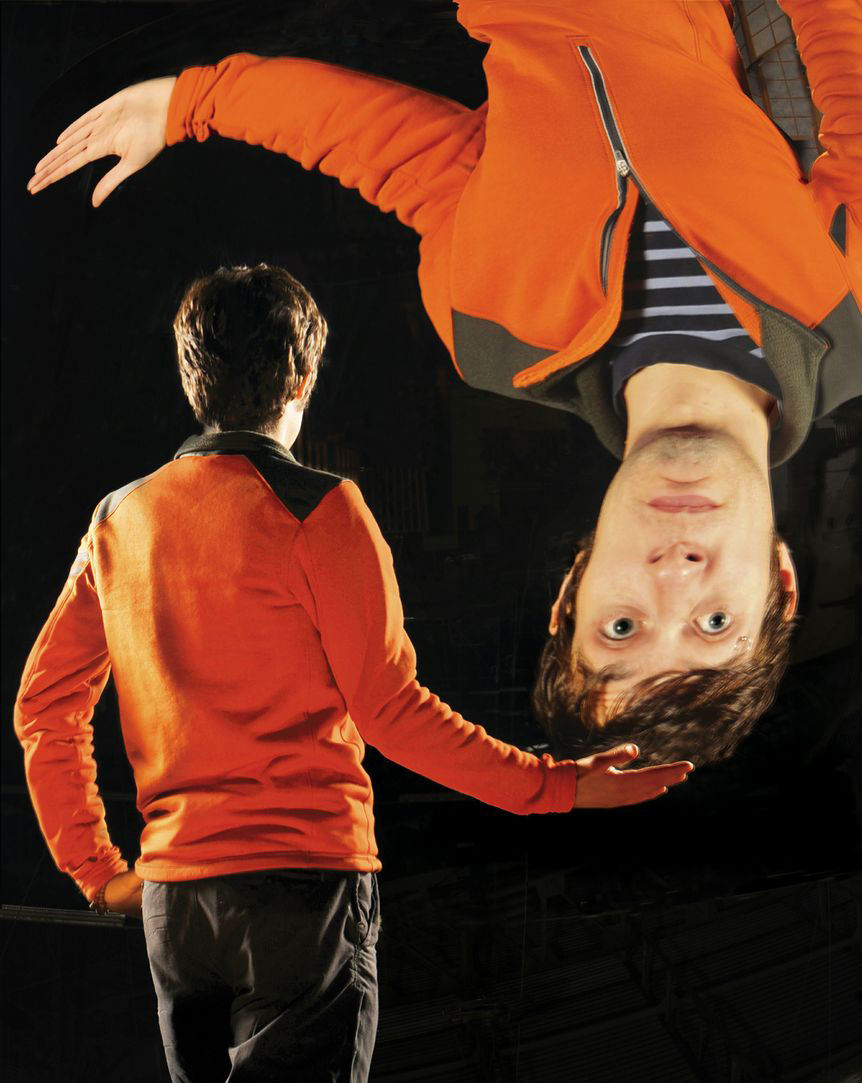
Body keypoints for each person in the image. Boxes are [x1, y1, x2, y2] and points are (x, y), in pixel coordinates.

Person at [26, 0, 862, 765]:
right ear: (781, 581)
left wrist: (194, 102)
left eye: (621, 629)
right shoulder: (845, 317)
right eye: (716, 624)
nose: (675, 580)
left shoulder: (490, 332)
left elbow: (387, 150)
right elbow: (842, 54)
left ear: (578, 582)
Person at [13, 265, 693, 1083]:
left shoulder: (118, 518)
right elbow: (393, 711)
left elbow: (45, 707)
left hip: (177, 908)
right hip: (304, 895)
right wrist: (556, 785)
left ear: (194, 377)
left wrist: (97, 871)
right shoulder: (321, 508)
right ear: (301, 378)